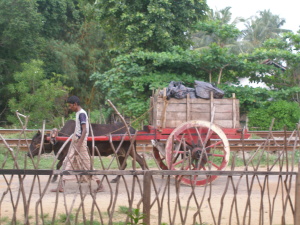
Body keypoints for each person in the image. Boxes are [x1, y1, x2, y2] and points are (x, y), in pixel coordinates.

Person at [51, 95, 104, 193]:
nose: (70, 107)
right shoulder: (78, 113)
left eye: (70, 106)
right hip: (76, 141)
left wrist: (79, 145)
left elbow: (84, 131)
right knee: (67, 161)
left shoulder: (82, 114)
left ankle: (99, 184)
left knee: (87, 164)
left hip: (80, 143)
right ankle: (61, 186)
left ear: (75, 104)